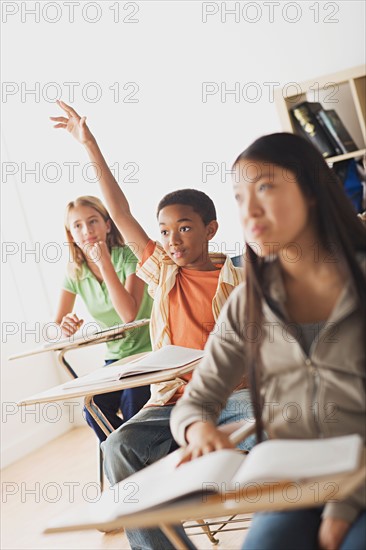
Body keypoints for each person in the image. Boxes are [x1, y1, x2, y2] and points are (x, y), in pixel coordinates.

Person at [50, 100, 254, 549]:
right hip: (174, 401)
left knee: (281, 426)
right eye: (164, 231)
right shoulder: (162, 272)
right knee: (117, 447)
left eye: (184, 228)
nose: (172, 239)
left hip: (236, 398)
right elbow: (120, 212)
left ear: (210, 229)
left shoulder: (239, 277)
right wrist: (90, 145)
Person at [171, 132, 366, 550]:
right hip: (292, 485)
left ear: (311, 190)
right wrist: (198, 430)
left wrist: (343, 509)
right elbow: (196, 400)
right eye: (239, 196)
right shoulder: (249, 303)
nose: (250, 209)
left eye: (265, 187)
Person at [54, 195, 153, 442]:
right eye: (77, 225)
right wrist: (65, 326)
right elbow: (56, 323)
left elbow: (128, 314)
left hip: (149, 352)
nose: (87, 230)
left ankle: (136, 460)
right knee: (93, 407)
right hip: (117, 360)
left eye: (93, 221)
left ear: (108, 225)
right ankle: (129, 458)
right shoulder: (75, 272)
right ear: (71, 233)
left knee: (134, 406)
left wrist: (105, 263)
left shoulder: (128, 256)